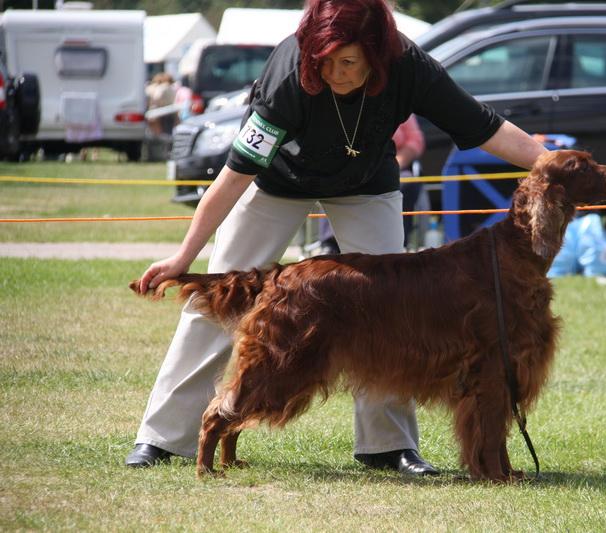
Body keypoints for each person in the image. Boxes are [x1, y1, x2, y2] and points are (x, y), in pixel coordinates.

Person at [125, 0, 548, 475]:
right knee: (211, 308)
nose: (333, 72)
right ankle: (161, 437)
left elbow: (482, 126)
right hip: (278, 183)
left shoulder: (409, 67)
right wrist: (184, 255)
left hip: (366, 184)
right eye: (322, 61)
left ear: (377, 56)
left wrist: (546, 162)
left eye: (347, 62)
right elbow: (233, 176)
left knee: (395, 308)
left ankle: (389, 446)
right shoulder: (290, 71)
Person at [316, 114, 425, 253]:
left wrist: (396, 164)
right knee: (334, 182)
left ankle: (398, 242)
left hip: (392, 166)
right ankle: (330, 244)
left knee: (407, 183)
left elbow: (415, 140)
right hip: (350, 166)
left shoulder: (401, 105)